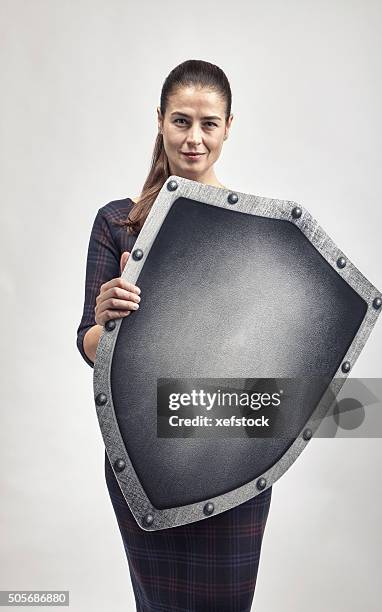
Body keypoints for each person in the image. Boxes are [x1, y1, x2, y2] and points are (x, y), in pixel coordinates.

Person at [76, 59, 272, 612]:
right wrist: (106, 322)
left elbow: (269, 352)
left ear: (229, 126)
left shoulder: (254, 230)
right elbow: (87, 345)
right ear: (159, 120)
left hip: (233, 453)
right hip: (145, 458)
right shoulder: (117, 223)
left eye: (209, 124)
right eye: (181, 120)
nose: (194, 138)